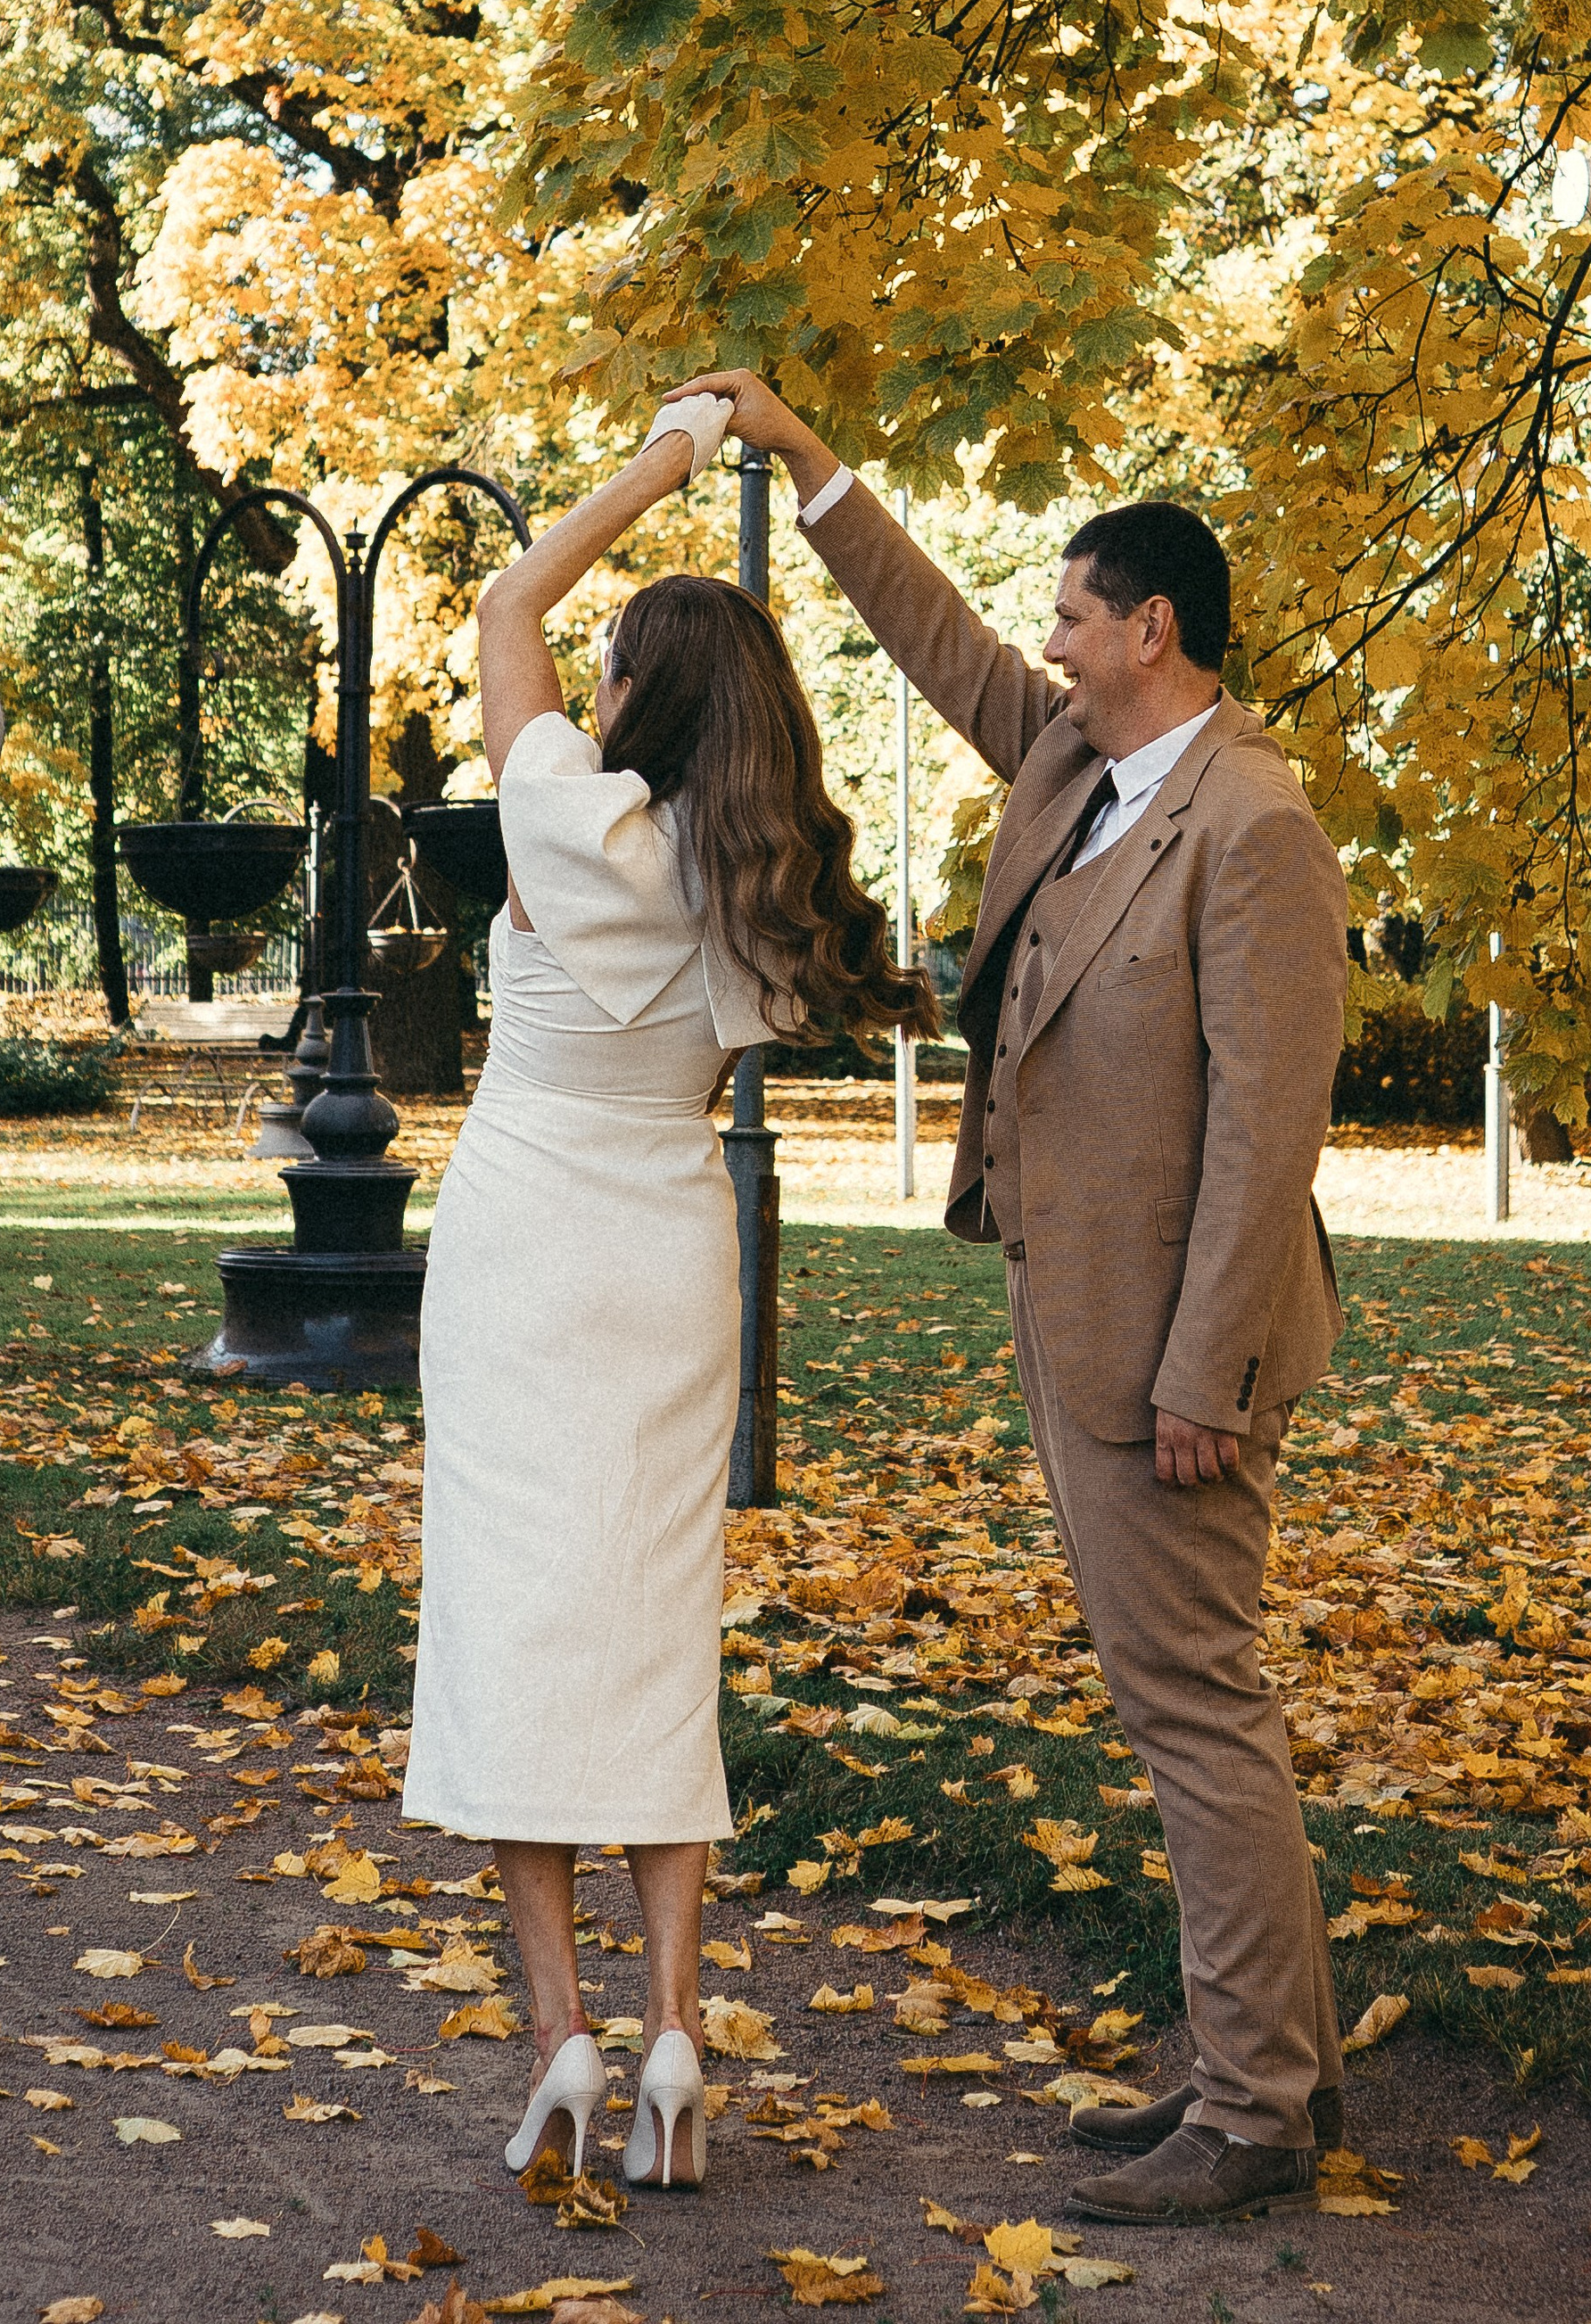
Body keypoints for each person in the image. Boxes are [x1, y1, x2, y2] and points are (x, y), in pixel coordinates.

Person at [684, 368, 1350, 2230]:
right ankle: (1255, 2069)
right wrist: (809, 464)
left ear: (1151, 629)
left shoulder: (1253, 825)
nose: (1043, 644)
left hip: (1173, 1352)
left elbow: (1262, 1141)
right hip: (1075, 1315)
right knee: (1172, 1702)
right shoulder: (1075, 761)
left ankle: (1256, 2110)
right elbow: (930, 637)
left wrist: (1202, 1365)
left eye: (1070, 613)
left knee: (1193, 1703)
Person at [402, 391, 935, 2197]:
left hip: (518, 1247)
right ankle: (677, 2032)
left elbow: (498, 613)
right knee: (649, 1633)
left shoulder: (571, 819)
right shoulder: (757, 894)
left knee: (507, 1627)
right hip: (667, 1256)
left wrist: (653, 466)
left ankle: (558, 2040)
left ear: (637, 695)